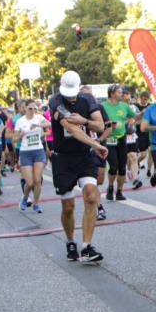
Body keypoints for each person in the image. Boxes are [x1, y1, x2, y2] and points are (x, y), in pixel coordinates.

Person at [49, 70, 109, 263]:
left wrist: (85, 121)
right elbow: (72, 129)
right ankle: (70, 241)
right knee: (68, 207)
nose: (71, 96)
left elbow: (100, 126)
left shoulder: (88, 99)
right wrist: (96, 144)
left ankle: (86, 247)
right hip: (63, 158)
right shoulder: (55, 101)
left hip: (84, 156)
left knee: (91, 195)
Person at [14, 100, 50, 213]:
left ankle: (36, 203)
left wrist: (38, 125)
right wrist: (21, 135)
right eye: (30, 108)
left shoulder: (39, 118)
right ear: (25, 108)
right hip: (25, 152)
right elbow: (14, 139)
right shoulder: (20, 121)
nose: (33, 111)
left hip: (38, 151)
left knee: (37, 180)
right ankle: (24, 198)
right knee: (29, 182)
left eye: (35, 108)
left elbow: (49, 124)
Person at [102, 85, 135, 202]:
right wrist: (108, 124)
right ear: (112, 93)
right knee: (114, 166)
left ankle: (120, 191)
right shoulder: (103, 106)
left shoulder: (124, 106)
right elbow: (97, 122)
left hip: (122, 139)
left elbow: (134, 116)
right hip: (109, 139)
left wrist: (132, 120)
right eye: (119, 92)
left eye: (122, 92)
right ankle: (110, 187)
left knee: (122, 167)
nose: (122, 94)